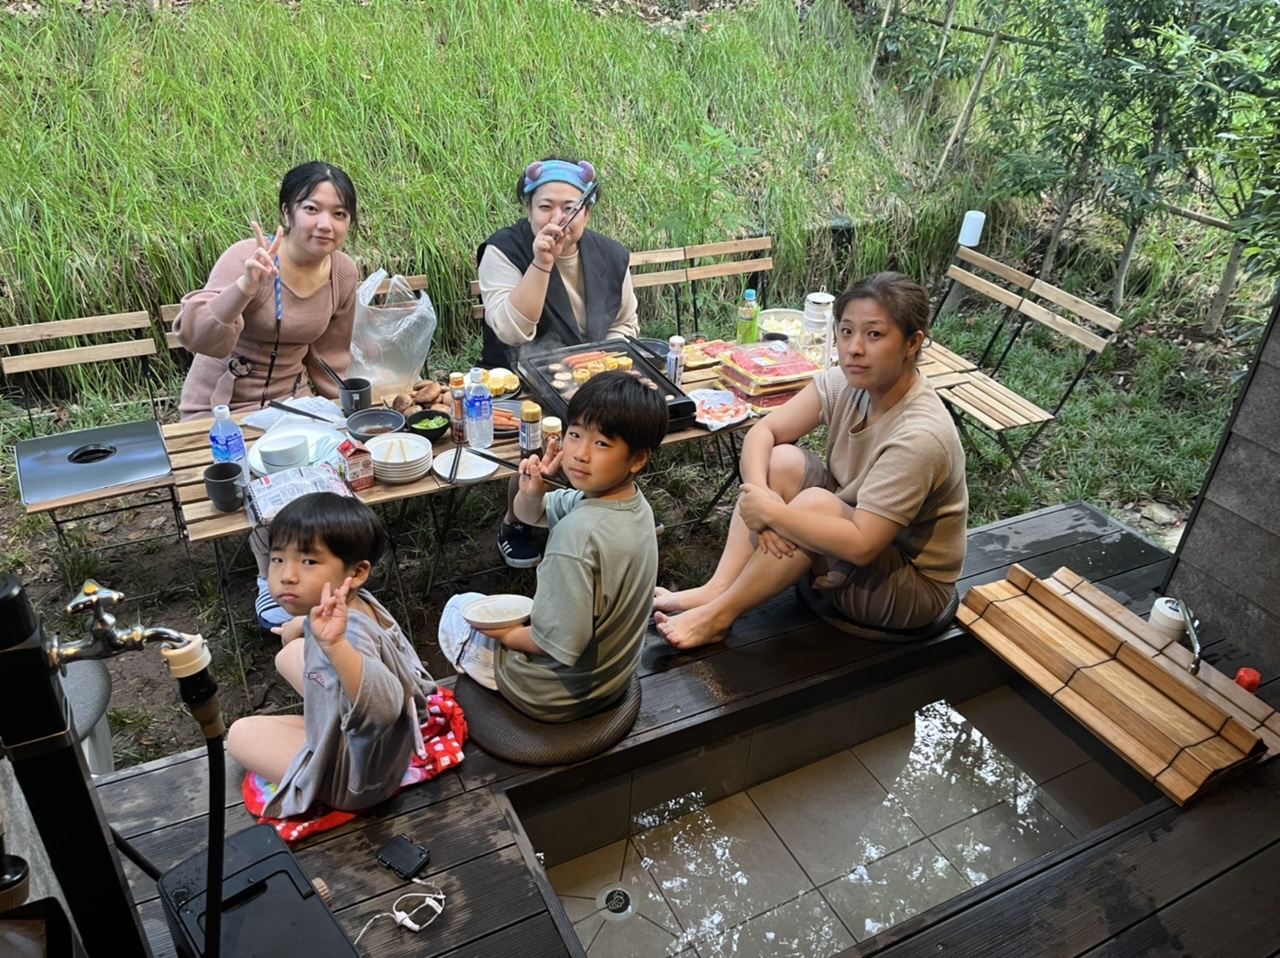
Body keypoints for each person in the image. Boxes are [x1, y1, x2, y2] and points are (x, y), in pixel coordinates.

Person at [653, 272, 968, 650]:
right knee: (782, 461)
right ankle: (718, 588)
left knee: (812, 505)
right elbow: (762, 433)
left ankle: (720, 615)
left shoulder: (919, 436)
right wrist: (760, 498)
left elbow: (863, 545)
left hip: (908, 586)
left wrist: (772, 515)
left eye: (874, 335)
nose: (854, 348)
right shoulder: (847, 382)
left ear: (912, 343)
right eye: (846, 331)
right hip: (854, 534)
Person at [438, 372, 667, 722]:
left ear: (638, 459)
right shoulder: (629, 503)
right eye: (574, 435)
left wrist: (510, 635)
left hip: (556, 694)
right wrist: (531, 492)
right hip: (611, 679)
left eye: (602, 444)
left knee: (459, 608)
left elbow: (552, 645)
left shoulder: (577, 537)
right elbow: (533, 515)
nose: (580, 454)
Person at [226, 492, 436, 817]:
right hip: (378, 746)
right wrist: (300, 624)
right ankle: (323, 731)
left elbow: (384, 708)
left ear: (358, 572)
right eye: (278, 559)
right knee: (289, 652)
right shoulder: (354, 602)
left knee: (240, 733)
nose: (287, 575)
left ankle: (322, 767)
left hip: (357, 780)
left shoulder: (344, 635)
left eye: (309, 561)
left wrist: (335, 647)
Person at [477, 156, 640, 568]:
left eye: (570, 207)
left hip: (590, 376)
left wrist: (602, 363)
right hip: (519, 379)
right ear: (528, 210)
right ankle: (518, 519)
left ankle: (606, 513)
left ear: (587, 210)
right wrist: (542, 262)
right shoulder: (503, 251)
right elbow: (511, 331)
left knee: (619, 418)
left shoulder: (612, 255)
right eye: (545, 206)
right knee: (544, 427)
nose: (559, 218)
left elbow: (626, 323)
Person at [175, 161, 360, 422]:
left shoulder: (343, 273)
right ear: (288, 212)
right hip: (220, 407)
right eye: (311, 209)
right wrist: (245, 288)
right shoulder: (247, 256)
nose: (325, 224)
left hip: (293, 405)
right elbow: (196, 337)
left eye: (339, 214)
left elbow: (331, 357)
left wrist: (343, 414)